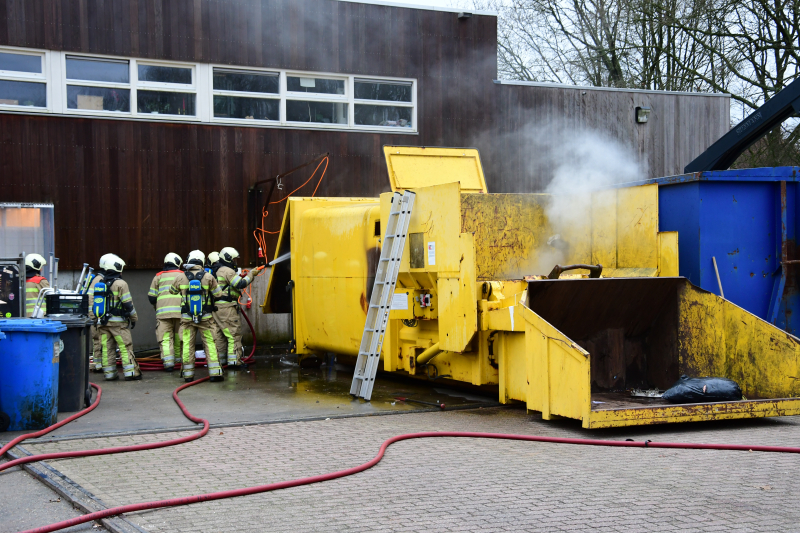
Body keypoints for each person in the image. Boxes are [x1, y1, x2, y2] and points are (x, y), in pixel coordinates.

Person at [170, 250, 224, 382]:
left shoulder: (181, 277)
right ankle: (215, 373)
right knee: (210, 343)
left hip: (187, 318)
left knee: (187, 344)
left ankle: (188, 375)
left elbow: (171, 291)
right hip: (206, 317)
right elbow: (218, 294)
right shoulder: (208, 277)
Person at [89, 254, 141, 381]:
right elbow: (128, 304)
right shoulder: (121, 284)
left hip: (103, 324)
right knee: (125, 346)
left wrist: (95, 320)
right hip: (118, 325)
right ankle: (131, 373)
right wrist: (134, 318)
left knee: (107, 348)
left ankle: (109, 373)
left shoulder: (100, 283)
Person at [213, 247, 265, 368]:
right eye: (234, 259)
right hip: (227, 308)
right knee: (233, 334)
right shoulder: (227, 270)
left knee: (221, 335)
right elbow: (240, 284)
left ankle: (222, 361)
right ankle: (235, 362)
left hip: (217, 308)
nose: (235, 262)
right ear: (228, 259)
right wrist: (251, 274)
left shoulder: (218, 270)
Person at [148, 253, 184, 371]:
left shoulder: (158, 277)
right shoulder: (183, 275)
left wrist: (157, 306)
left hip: (163, 314)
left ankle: (169, 363)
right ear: (178, 263)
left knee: (165, 337)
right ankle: (179, 360)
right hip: (181, 312)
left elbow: (152, 297)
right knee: (180, 336)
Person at [85, 255, 111, 372]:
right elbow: (93, 299)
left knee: (97, 340)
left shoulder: (97, 279)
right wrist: (95, 316)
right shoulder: (100, 280)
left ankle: (98, 364)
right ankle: (99, 365)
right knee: (99, 340)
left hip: (93, 314)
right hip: (96, 315)